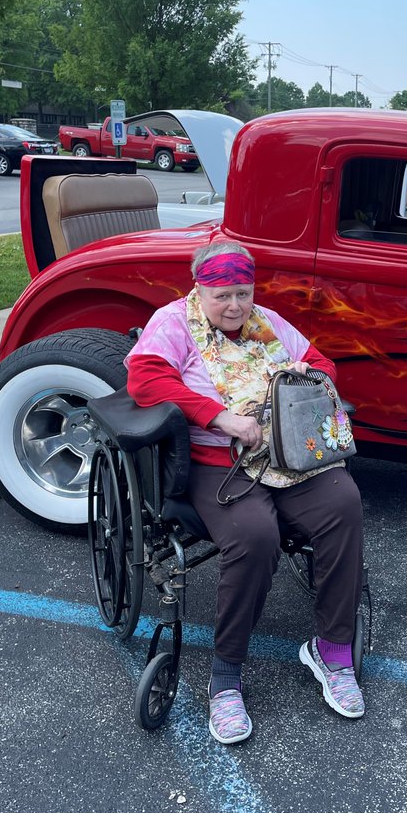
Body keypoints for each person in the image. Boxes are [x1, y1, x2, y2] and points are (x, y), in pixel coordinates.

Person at [125, 240, 366, 745]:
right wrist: (219, 416)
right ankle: (226, 676)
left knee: (343, 504)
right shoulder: (173, 323)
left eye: (242, 292)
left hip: (287, 455)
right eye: (221, 295)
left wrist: (311, 376)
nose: (235, 306)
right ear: (200, 289)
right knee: (255, 537)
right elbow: (145, 379)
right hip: (217, 460)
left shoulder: (270, 322)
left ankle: (332, 650)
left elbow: (322, 362)